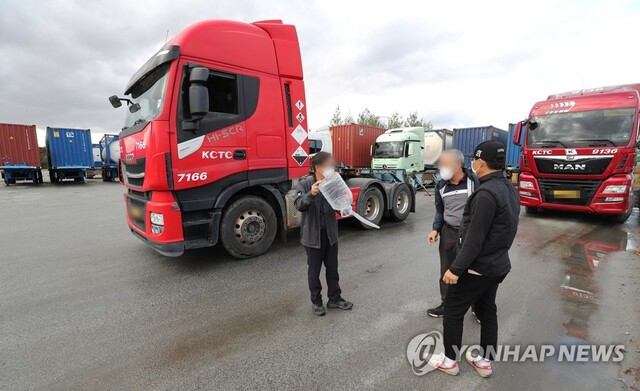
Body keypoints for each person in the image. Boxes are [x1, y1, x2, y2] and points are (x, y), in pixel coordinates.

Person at [430, 141, 520, 377]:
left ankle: (450, 360)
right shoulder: (508, 188)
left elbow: (474, 239)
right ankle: (484, 361)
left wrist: (456, 269)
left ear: (480, 162)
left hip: (478, 268)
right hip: (498, 264)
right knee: (487, 310)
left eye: (475, 160)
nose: (474, 163)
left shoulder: (485, 193)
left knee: (452, 309)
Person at [294, 152, 353, 316]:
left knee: (333, 269)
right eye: (329, 165)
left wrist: (344, 207)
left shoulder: (332, 183)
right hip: (313, 237)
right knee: (314, 272)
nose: (332, 168)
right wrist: (310, 194)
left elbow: (338, 204)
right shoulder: (305, 184)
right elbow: (298, 204)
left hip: (330, 234)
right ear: (318, 167)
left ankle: (335, 298)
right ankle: (317, 302)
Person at [427, 149, 479, 318]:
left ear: (457, 165)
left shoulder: (474, 182)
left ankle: (477, 307)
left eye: (445, 164)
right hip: (448, 233)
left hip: (470, 234)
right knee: (446, 271)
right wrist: (435, 229)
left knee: (472, 271)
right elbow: (440, 210)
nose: (441, 168)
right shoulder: (441, 186)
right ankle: (447, 305)